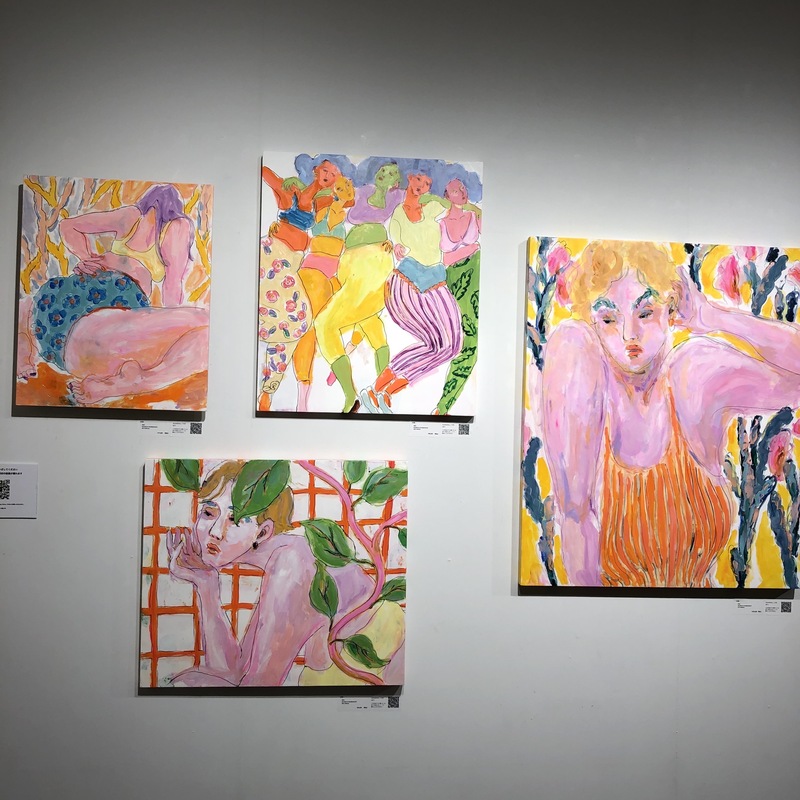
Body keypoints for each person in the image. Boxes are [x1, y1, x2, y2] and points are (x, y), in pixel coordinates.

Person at [541, 240, 800, 587]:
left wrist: (714, 316)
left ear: (671, 309)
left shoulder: (693, 376)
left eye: (645, 313)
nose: (629, 335)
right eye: (608, 318)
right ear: (593, 322)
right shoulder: (582, 380)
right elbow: (576, 519)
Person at [165, 460, 403, 687]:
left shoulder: (293, 563)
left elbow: (257, 687)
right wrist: (206, 584)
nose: (215, 532)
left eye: (235, 519)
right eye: (208, 513)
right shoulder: (281, 562)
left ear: (263, 532)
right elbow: (233, 673)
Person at [18, 183, 208, 405]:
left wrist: (86, 258)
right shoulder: (176, 226)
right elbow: (172, 286)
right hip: (112, 304)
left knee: (28, 304)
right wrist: (168, 323)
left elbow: (68, 226)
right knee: (206, 329)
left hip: (56, 304)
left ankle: (25, 341)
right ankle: (141, 381)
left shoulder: (130, 216)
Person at [359, 172, 463, 413]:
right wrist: (397, 248)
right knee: (437, 344)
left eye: (427, 184)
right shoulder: (397, 215)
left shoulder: (434, 207)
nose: (422, 186)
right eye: (419, 180)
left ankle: (381, 391)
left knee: (451, 346)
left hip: (436, 281)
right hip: (406, 283)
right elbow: (396, 242)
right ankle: (380, 391)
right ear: (410, 179)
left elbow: (456, 210)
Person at [314, 162, 404, 412]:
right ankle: (382, 393)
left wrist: (393, 241)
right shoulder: (362, 191)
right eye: (382, 170)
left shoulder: (397, 196)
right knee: (369, 322)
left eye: (391, 173)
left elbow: (421, 204)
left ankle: (351, 395)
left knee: (324, 324)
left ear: (396, 183)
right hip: (354, 267)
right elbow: (335, 193)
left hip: (372, 264)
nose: (383, 174)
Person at [257, 159, 340, 411]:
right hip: (275, 255)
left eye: (333, 174)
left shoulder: (317, 200)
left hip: (290, 263)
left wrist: (338, 197)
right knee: (296, 319)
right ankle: (267, 390)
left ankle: (268, 390)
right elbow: (263, 171)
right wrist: (279, 184)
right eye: (325, 170)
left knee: (295, 322)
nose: (328, 176)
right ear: (315, 170)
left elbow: (344, 201)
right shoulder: (290, 192)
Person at [291, 176, 355, 411]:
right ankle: (302, 394)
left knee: (343, 322)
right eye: (340, 186)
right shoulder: (321, 208)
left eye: (348, 188)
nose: (343, 189)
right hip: (310, 272)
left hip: (330, 277)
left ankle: (337, 365)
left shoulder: (350, 220)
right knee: (308, 331)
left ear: (351, 196)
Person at [434, 178, 481, 415]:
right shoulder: (440, 224)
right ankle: (443, 406)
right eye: (455, 190)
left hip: (476, 272)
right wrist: (470, 248)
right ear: (447, 195)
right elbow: (445, 259)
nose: (461, 192)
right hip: (454, 280)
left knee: (472, 342)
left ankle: (444, 406)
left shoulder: (474, 216)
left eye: (462, 188)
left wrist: (470, 251)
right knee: (457, 340)